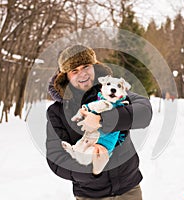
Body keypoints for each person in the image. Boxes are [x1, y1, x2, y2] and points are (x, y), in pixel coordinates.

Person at [46, 44, 152, 199]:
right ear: (65, 77)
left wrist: (103, 119)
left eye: (86, 66)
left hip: (129, 189)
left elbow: (145, 112)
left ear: (94, 67)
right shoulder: (57, 112)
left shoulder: (112, 90)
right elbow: (56, 159)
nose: (82, 74)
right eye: (74, 71)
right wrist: (92, 171)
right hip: (91, 195)